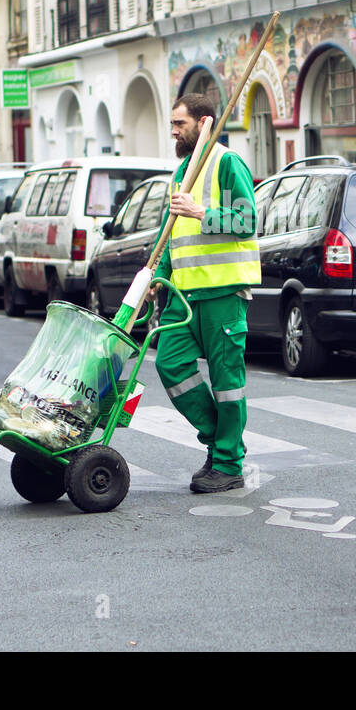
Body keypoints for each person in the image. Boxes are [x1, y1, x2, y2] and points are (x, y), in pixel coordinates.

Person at [148, 93, 261, 493]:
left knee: (227, 382)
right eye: (173, 124)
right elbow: (171, 237)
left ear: (204, 122)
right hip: (185, 297)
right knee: (170, 364)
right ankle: (217, 441)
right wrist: (153, 277)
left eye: (180, 124)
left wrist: (200, 212)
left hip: (223, 294)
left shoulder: (226, 164)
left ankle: (228, 465)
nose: (174, 131)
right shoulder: (181, 172)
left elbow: (248, 221)